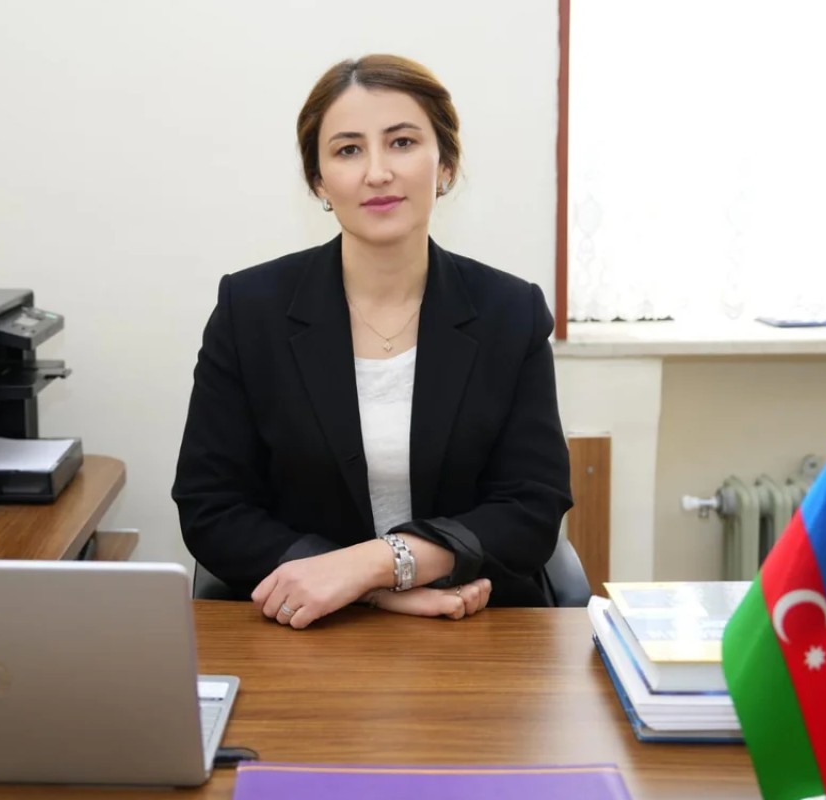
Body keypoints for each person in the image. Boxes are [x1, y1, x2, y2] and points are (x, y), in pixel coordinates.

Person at [173, 54, 573, 630]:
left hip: (475, 625)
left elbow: (531, 507)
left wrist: (376, 566)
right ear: (318, 180)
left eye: (402, 142)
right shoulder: (250, 309)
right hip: (306, 629)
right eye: (348, 150)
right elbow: (211, 505)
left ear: (445, 165)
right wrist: (373, 593)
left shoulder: (510, 312)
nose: (378, 172)